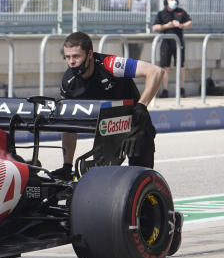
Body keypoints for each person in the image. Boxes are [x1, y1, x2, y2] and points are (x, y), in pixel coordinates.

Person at [51, 31, 163, 180]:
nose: (71, 62)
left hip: (135, 124)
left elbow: (156, 71)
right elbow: (68, 126)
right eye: (68, 57)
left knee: (142, 177)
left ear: (90, 54)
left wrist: (142, 104)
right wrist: (67, 166)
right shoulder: (68, 81)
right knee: (103, 181)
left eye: (76, 56)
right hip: (108, 131)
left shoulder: (110, 64)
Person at [151, 0, 192, 98]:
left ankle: (181, 89)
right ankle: (165, 90)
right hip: (166, 44)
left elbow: (189, 23)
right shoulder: (161, 13)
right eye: (171, 0)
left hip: (179, 43)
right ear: (166, 2)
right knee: (165, 67)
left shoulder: (181, 12)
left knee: (181, 66)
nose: (174, 2)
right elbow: (155, 27)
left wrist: (181, 25)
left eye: (175, 0)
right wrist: (166, 26)